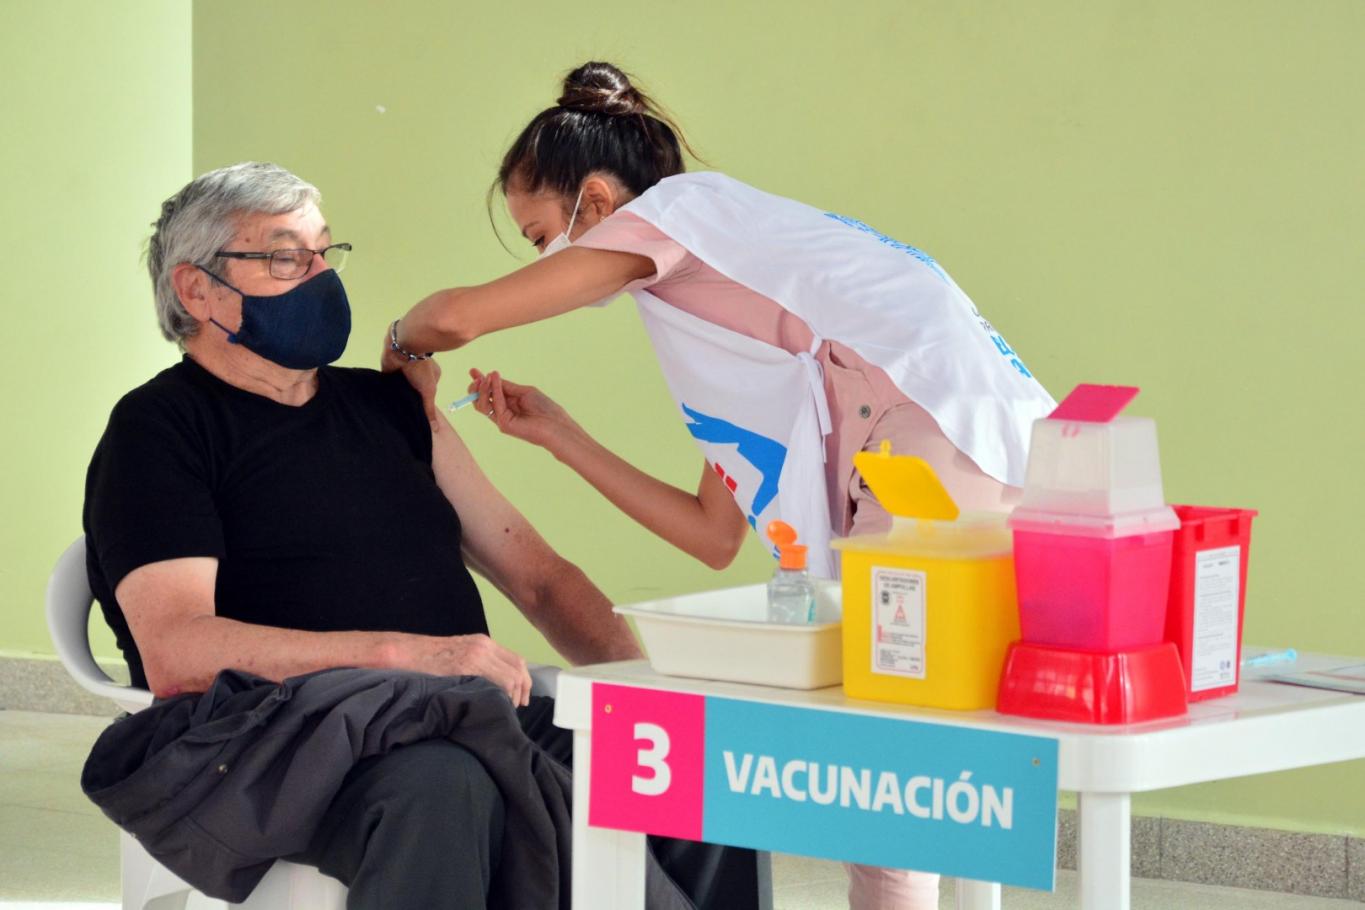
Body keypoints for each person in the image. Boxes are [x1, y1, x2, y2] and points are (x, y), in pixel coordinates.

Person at [385, 62, 1057, 910]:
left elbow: (458, 316)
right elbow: (712, 534)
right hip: (977, 451)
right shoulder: (732, 284)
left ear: (596, 201)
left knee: (888, 758)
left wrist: (400, 344)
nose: (543, 257)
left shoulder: (679, 215)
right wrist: (558, 435)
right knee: (920, 743)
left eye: (540, 234)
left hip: (932, 440)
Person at [82, 161, 758, 910]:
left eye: (324, 253)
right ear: (197, 289)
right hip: (283, 739)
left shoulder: (390, 406)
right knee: (446, 784)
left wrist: (646, 688)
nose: (319, 278)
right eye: (285, 258)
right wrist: (407, 657)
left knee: (690, 758)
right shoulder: (159, 430)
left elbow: (538, 579)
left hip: (454, 713)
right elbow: (178, 652)